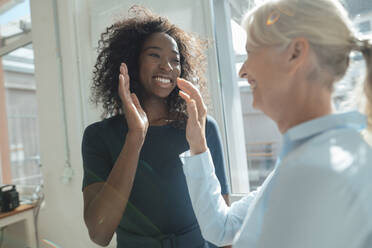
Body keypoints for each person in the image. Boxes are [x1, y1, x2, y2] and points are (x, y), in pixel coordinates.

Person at [177, 0, 372, 247]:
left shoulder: (317, 169)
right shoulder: (306, 160)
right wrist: (198, 146)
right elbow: (222, 228)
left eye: (251, 52)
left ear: (295, 53)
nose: (242, 71)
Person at [81, 6, 230, 248]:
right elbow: (99, 233)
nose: (167, 67)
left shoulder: (201, 127)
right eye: (154, 55)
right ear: (130, 61)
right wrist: (135, 137)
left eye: (175, 60)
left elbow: (223, 222)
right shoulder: (99, 136)